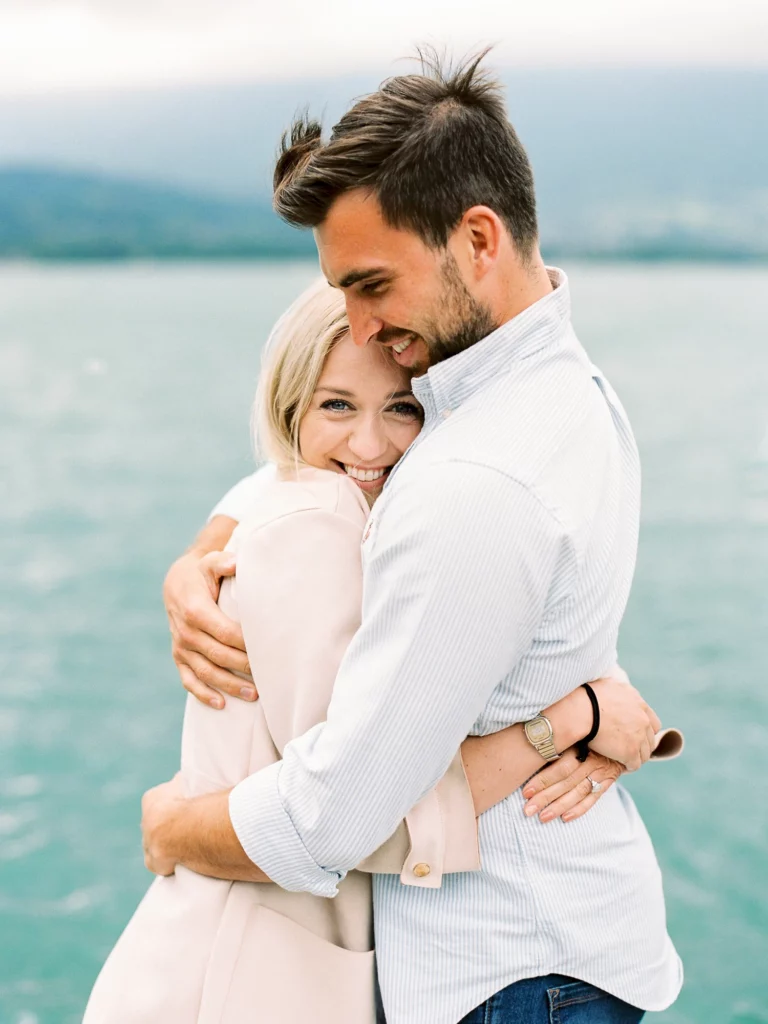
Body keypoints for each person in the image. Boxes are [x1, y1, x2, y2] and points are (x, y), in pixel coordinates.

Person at [143, 51, 684, 1024]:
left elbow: (341, 811)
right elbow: (345, 481)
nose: (356, 322)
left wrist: (179, 825)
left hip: (512, 973)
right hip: (569, 947)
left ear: (477, 238)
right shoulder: (550, 392)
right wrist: (203, 550)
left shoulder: (471, 479)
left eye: (372, 283)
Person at [83, 279, 662, 1024]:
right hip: (273, 966)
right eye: (336, 406)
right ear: (290, 409)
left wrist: (598, 701)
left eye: (402, 409)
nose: (368, 444)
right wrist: (570, 719)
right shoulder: (314, 527)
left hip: (520, 959)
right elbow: (362, 808)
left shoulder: (400, 509)